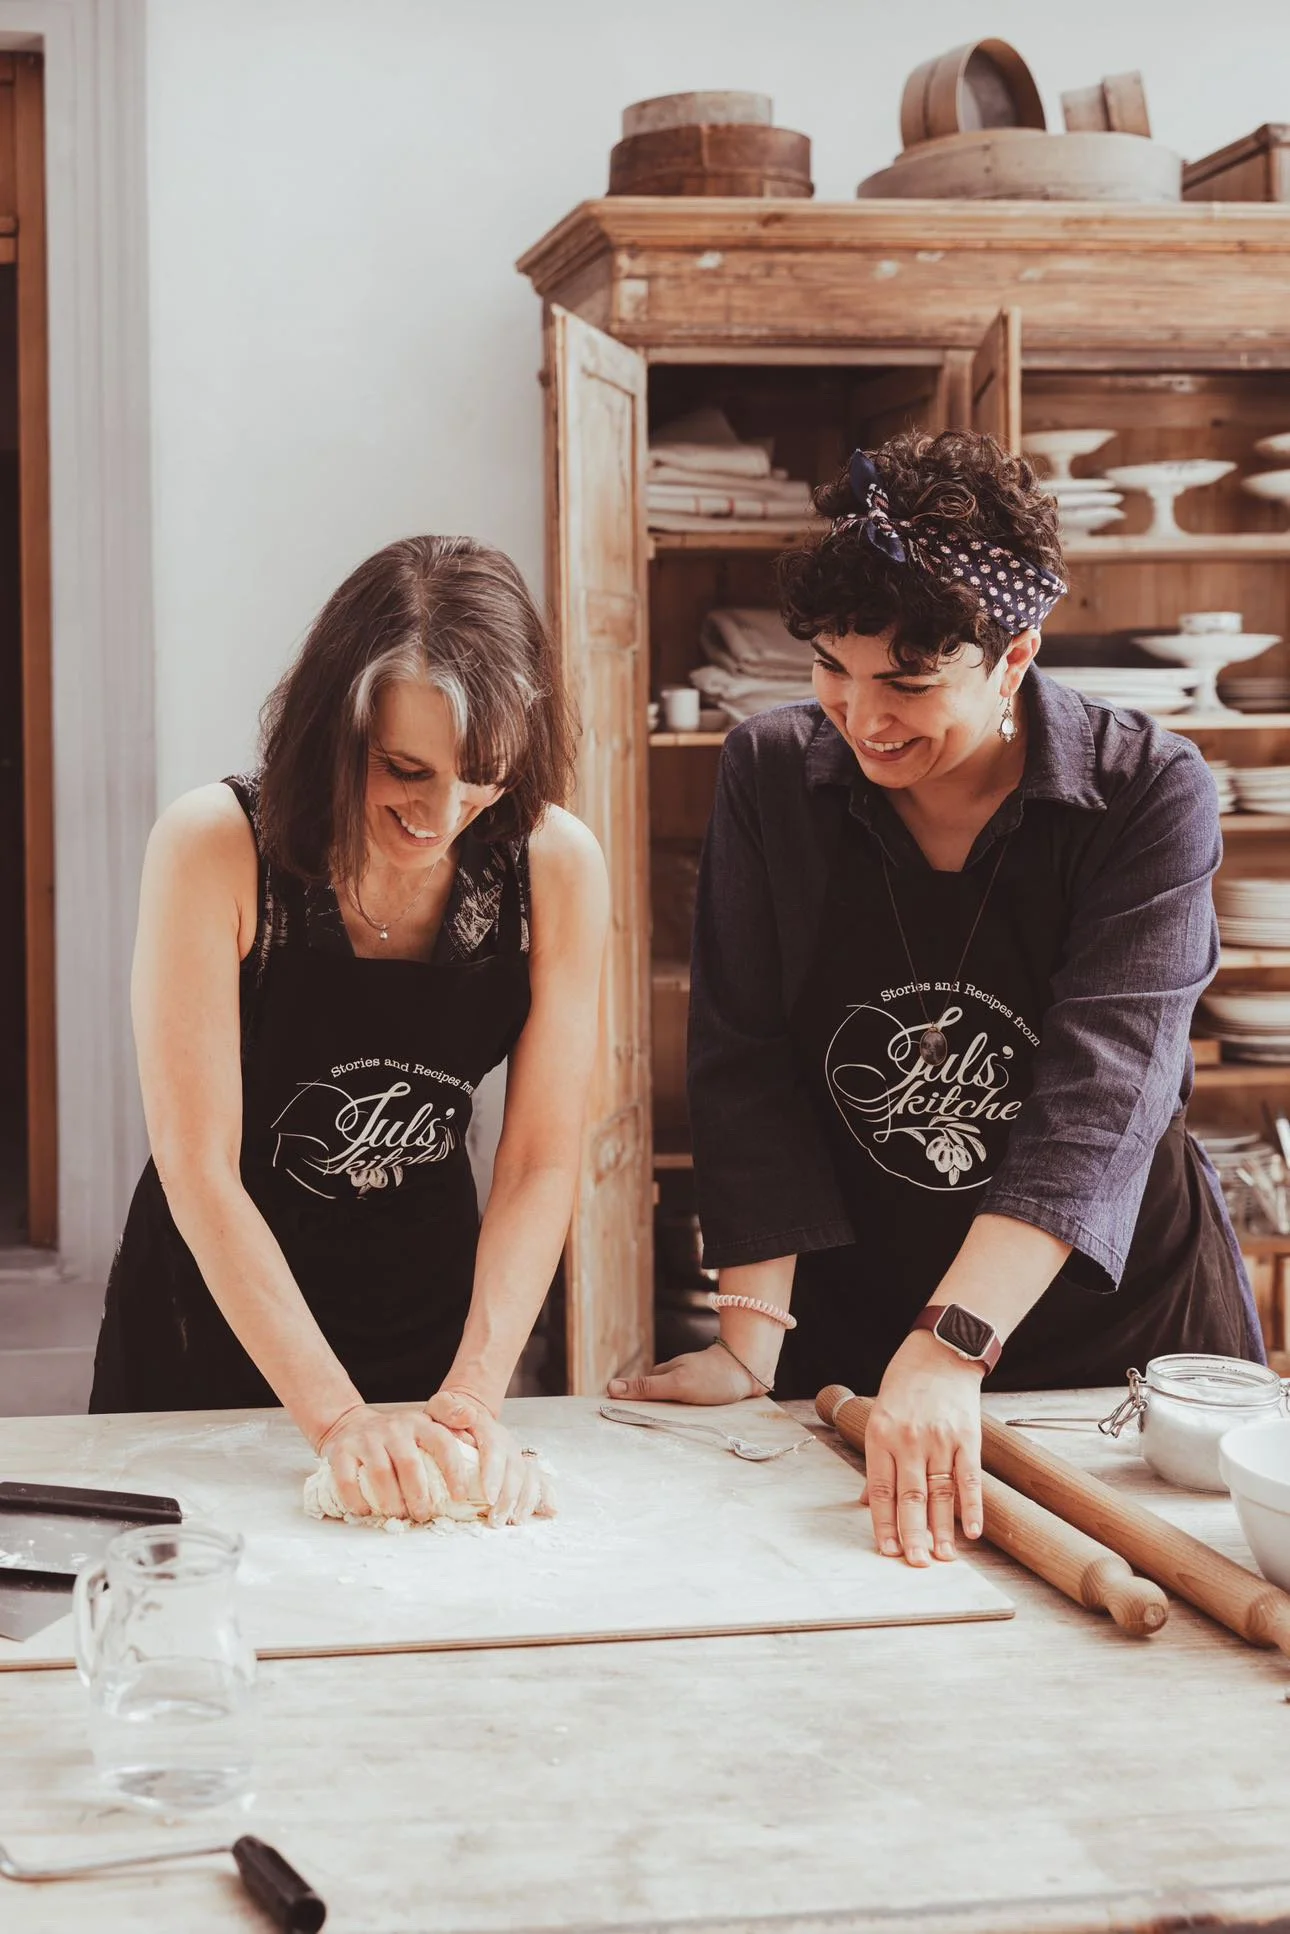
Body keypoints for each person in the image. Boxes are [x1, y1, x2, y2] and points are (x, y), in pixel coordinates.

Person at [608, 431, 1262, 1566]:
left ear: (1014, 658)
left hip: (1112, 1339)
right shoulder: (770, 773)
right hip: (873, 1336)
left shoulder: (1147, 790)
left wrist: (954, 1342)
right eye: (832, 668)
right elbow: (747, 1061)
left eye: (909, 684)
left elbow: (1104, 1090)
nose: (863, 719)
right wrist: (750, 1345)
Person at [92, 535, 608, 1528]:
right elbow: (199, 1165)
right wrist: (334, 1418)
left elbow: (540, 1159)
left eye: (482, 775)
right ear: (335, 727)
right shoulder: (215, 846)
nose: (442, 813)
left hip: (427, 1321)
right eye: (405, 769)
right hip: (212, 1322)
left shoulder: (555, 865)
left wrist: (470, 1395)